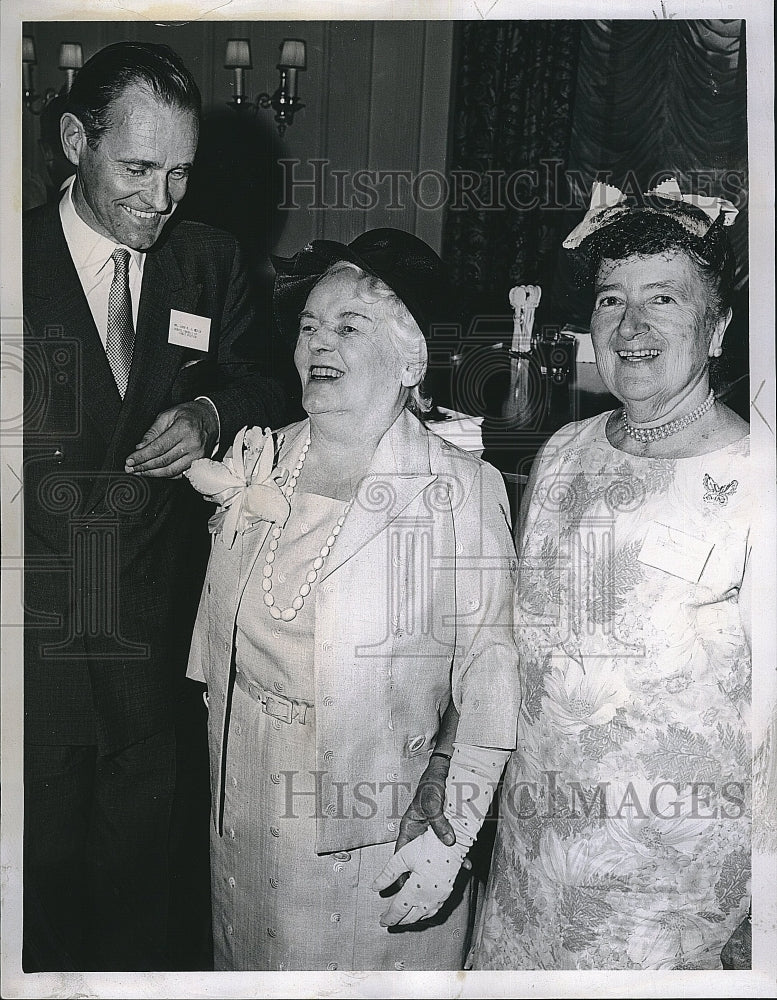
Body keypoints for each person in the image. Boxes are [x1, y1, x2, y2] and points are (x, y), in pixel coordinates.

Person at [184, 228, 521, 970]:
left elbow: (492, 682)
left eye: (347, 326)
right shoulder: (262, 453)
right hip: (241, 797)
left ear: (409, 357)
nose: (317, 343)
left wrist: (452, 832)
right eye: (309, 325)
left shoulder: (460, 492)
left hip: (374, 823)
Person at [22, 41, 284, 972]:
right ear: (72, 142)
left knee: (144, 900)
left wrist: (211, 411)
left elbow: (264, 383)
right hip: (36, 645)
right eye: (135, 168)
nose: (160, 199)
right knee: (37, 901)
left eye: (179, 173)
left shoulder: (206, 261)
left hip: (157, 641)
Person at [459, 177, 752, 969]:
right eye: (611, 298)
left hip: (667, 892)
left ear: (716, 326)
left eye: (663, 299)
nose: (630, 325)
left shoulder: (756, 480)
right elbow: (519, 647)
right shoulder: (563, 454)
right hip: (532, 864)